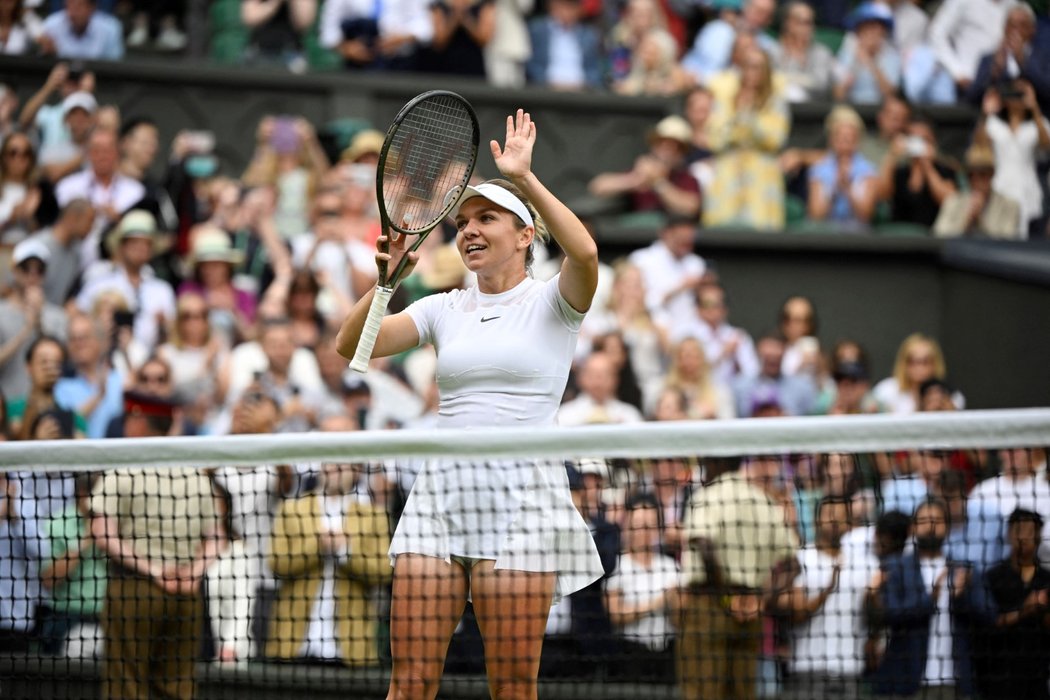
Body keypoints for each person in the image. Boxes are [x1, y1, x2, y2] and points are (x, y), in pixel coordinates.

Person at [336, 109, 605, 699]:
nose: (470, 229)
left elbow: (584, 253)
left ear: (526, 234)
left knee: (511, 689)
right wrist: (385, 282)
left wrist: (525, 179)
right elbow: (351, 345)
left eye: (487, 217)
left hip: (522, 509)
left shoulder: (553, 302)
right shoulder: (442, 307)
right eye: (463, 221)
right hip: (439, 498)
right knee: (408, 685)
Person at [89, 392, 225, 700]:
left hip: (134, 592)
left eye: (129, 417)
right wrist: (192, 573)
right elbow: (217, 538)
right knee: (178, 687)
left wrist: (154, 571)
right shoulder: (196, 476)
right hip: (187, 596)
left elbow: (101, 531)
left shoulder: (122, 471)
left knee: (127, 687)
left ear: (139, 421)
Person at [678, 455, 800, 700]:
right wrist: (760, 600)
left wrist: (726, 598)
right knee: (742, 694)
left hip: (709, 607)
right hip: (750, 614)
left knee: (701, 692)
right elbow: (793, 565)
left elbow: (703, 543)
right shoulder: (763, 501)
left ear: (716, 462)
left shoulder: (708, 497)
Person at [266, 459, 392, 665]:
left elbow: (383, 570)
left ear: (357, 470)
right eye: (332, 463)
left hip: (350, 647)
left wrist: (345, 550)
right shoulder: (291, 509)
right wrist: (318, 546)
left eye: (344, 464)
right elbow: (277, 563)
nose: (336, 469)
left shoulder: (374, 515)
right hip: (292, 643)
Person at [703, 43, 790, 230]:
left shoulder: (775, 101)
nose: (752, 72)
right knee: (723, 227)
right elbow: (715, 138)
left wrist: (750, 121)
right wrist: (738, 120)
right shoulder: (726, 98)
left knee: (761, 228)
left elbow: (776, 138)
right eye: (748, 66)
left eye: (757, 67)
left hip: (762, 171)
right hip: (728, 168)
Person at [604, 492, 679, 683]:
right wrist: (659, 601)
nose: (644, 532)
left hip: (667, 656)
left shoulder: (670, 567)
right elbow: (616, 614)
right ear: (627, 525)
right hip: (629, 657)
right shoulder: (618, 566)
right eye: (638, 525)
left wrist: (676, 603)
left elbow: (681, 619)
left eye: (650, 525)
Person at [982, 508, 1050, 700]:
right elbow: (990, 624)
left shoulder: (1046, 579)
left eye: (1031, 531)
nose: (1024, 537)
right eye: (1019, 530)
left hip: (1038, 676)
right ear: (1009, 534)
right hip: (1000, 677)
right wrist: (1025, 610)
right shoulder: (993, 578)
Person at [0, 238, 68, 399]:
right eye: (26, 269)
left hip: (44, 403)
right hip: (7, 404)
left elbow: (60, 361)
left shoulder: (57, 316)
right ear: (14, 271)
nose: (32, 275)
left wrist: (38, 322)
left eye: (40, 270)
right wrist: (26, 329)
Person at [933, 144, 1022, 238]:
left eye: (982, 174)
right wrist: (966, 223)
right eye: (970, 175)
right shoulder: (954, 201)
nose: (976, 181)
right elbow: (939, 234)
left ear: (992, 174)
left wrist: (980, 222)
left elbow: (1007, 241)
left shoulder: (1009, 205)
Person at [770, 1, 836, 103]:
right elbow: (772, 82)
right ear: (789, 23)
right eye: (803, 23)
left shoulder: (822, 53)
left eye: (810, 23)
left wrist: (788, 79)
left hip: (813, 111)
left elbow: (820, 84)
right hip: (782, 110)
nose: (809, 28)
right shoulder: (774, 51)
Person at [38, 0, 123, 60]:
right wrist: (50, 54)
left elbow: (114, 65)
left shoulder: (110, 28)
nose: (72, 12)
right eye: (68, 5)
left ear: (92, 8)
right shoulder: (51, 24)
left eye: (78, 6)